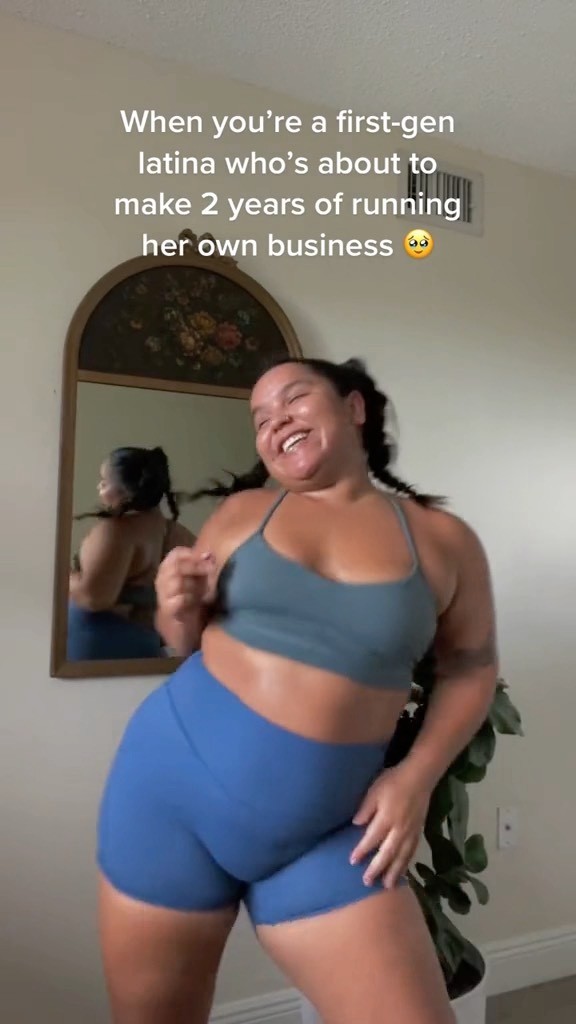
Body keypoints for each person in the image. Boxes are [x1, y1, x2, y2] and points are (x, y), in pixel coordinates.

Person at [97, 357, 498, 1023]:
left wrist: (415, 778)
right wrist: (174, 605)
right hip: (167, 802)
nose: (274, 421)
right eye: (259, 419)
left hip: (331, 831)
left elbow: (471, 668)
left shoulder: (442, 541)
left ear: (354, 408)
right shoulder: (242, 513)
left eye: (293, 399)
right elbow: (184, 641)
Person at [67, 446, 195, 659]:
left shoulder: (116, 531)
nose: (99, 487)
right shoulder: (181, 535)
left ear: (126, 491)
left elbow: (94, 598)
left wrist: (62, 575)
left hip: (96, 645)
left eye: (104, 482)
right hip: (146, 646)